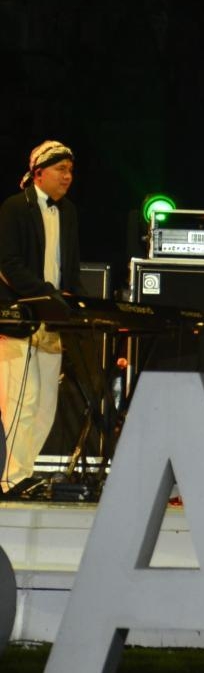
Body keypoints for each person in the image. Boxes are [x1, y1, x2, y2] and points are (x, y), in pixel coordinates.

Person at [0, 140, 84, 496]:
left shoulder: (68, 213)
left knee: (47, 404)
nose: (67, 177)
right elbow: (9, 264)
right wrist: (46, 294)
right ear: (38, 173)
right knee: (23, 400)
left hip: (53, 321)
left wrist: (75, 304)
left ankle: (25, 472)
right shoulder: (14, 208)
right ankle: (10, 478)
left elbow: (71, 267)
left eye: (70, 171)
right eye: (60, 170)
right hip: (20, 319)